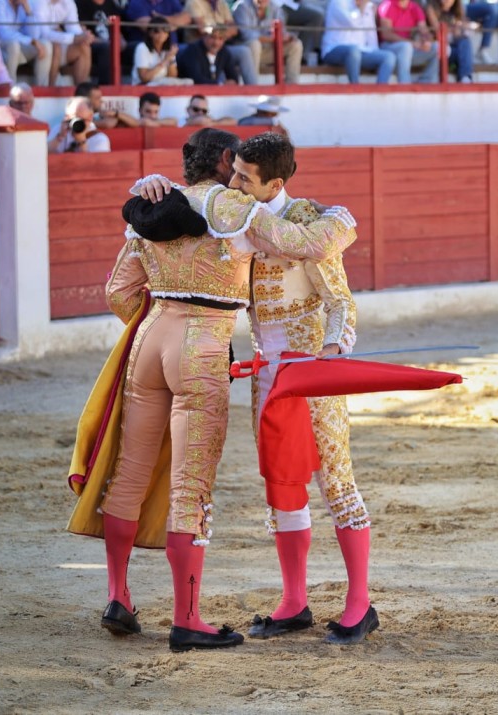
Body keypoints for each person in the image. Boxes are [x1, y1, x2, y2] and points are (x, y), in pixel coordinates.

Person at [79, 127, 358, 652]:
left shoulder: (152, 204)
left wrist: (158, 321)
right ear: (227, 161)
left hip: (149, 340)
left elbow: (119, 292)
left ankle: (118, 595)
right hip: (202, 347)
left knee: (131, 472)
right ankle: (187, 618)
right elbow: (309, 244)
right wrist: (342, 219)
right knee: (190, 487)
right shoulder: (231, 207)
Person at [223, 132, 374, 645]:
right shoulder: (237, 219)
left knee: (336, 482)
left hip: (312, 376)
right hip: (267, 377)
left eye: (245, 177)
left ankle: (360, 604)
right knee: (283, 488)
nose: (233, 183)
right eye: (233, 172)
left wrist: (332, 353)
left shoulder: (307, 226)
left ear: (275, 184)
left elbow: (342, 304)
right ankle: (295, 601)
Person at [320, 0, 398, 84]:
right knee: (354, 50)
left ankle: (379, 92)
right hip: (333, 50)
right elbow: (352, 23)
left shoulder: (367, 5)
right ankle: (355, 88)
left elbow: (370, 33)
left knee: (388, 57)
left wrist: (375, 51)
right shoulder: (338, 2)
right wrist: (361, 8)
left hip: (360, 52)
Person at [230, 0, 302, 84]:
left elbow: (282, 32)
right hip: (245, 52)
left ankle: (292, 87)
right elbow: (246, 35)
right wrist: (275, 39)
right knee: (255, 44)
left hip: (265, 51)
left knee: (296, 45)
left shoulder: (275, 8)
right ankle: (253, 87)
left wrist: (288, 37)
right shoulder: (242, 6)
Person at [376, 0, 438, 83]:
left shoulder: (415, 7)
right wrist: (411, 43)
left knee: (439, 47)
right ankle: (405, 85)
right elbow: (387, 35)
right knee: (405, 47)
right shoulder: (387, 5)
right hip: (388, 49)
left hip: (409, 51)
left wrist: (426, 41)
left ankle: (425, 82)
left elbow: (423, 30)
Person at [0, 0, 51, 87]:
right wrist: (31, 41)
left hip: (19, 45)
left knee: (46, 45)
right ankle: (11, 88)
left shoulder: (24, 3)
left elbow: (34, 35)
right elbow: (3, 32)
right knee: (13, 45)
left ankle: (42, 88)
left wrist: (28, 11)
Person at [37, 0, 93, 86]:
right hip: (35, 42)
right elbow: (43, 33)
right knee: (56, 46)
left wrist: (85, 36)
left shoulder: (68, 2)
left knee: (84, 45)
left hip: (55, 41)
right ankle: (50, 90)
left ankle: (82, 91)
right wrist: (74, 38)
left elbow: (74, 29)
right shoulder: (39, 2)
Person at [176, 25, 252, 84]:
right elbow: (196, 79)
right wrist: (221, 84)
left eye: (220, 38)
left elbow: (233, 77)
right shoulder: (192, 51)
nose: (216, 43)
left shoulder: (223, 52)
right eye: (212, 37)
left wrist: (230, 82)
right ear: (204, 36)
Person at [75, 0, 125, 86]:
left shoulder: (111, 4)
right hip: (91, 43)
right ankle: (106, 86)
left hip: (111, 42)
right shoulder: (81, 4)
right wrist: (109, 43)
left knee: (135, 47)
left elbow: (118, 30)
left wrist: (122, 41)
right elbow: (82, 32)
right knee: (106, 48)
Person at [425, 0, 474, 82]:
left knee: (465, 42)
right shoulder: (431, 7)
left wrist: (458, 30)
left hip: (452, 49)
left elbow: (461, 32)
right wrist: (454, 30)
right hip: (437, 49)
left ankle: (465, 78)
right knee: (453, 49)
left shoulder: (458, 10)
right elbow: (438, 31)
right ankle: (464, 76)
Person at [132, 20, 193, 85]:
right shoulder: (142, 48)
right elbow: (144, 78)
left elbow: (172, 76)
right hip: (143, 85)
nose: (161, 33)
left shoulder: (169, 49)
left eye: (165, 30)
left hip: (162, 83)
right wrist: (165, 61)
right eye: (156, 31)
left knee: (189, 82)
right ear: (150, 33)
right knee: (167, 82)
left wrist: (170, 58)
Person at [75, 80, 140, 128]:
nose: (101, 101)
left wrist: (115, 114)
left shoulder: (99, 114)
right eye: (97, 98)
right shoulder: (76, 116)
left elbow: (136, 123)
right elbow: (109, 123)